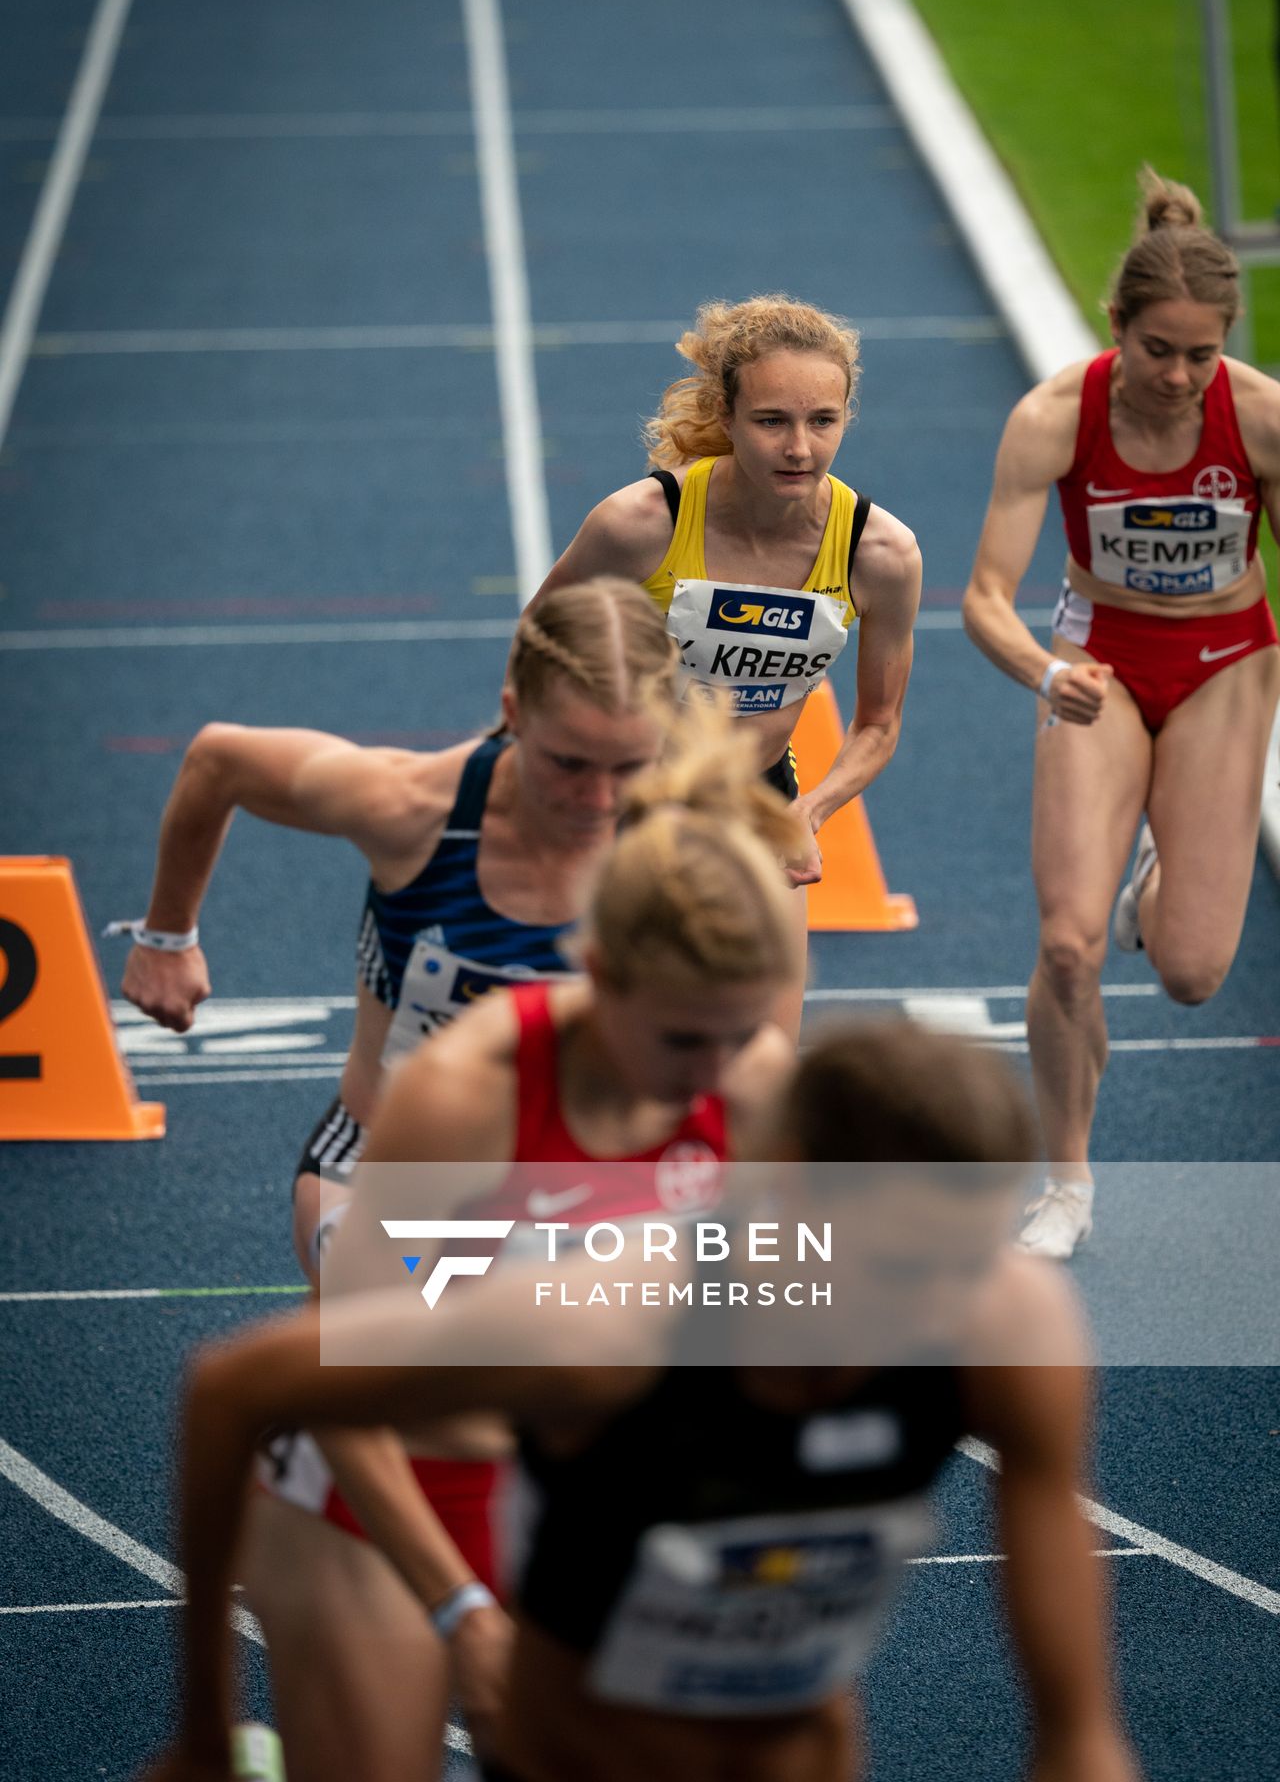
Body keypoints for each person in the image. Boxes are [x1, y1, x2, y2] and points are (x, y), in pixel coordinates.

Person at [141, 1019, 1141, 1782]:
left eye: (961, 1263)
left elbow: (1074, 1703)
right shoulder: (605, 1321)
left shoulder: (1002, 1321)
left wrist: (1081, 1746)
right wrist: (198, 1729)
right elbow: (234, 1386)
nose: (928, 1306)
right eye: (892, 1266)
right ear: (787, 1195)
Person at [184, 716, 808, 1782]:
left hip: (581, 1494)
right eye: (680, 1041)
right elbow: (343, 1377)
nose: (712, 1070)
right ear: (599, 975)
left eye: (737, 1033)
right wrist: (462, 1608)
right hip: (387, 1490)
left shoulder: (748, 1096)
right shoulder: (466, 1099)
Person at [114, 577, 676, 1279]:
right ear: (515, 714)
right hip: (386, 1174)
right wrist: (167, 936)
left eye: (629, 766)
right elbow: (218, 760)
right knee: (427, 1348)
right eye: (568, 763)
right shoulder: (410, 809)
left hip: (575, 1179)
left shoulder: (685, 851)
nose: (597, 799)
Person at [963, 169, 1280, 1258]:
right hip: (1093, 660)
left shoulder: (1259, 421)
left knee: (1190, 973)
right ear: (1115, 330)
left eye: (1201, 354)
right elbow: (983, 600)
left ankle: (1159, 875)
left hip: (1224, 664)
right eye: (1157, 352)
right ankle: (1065, 1187)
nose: (1179, 377)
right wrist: (1039, 675)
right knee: (1064, 945)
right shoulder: (1055, 416)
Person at [525, 294, 923, 1035]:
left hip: (757, 803)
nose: (799, 447)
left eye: (822, 421)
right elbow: (536, 646)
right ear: (728, 416)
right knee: (629, 1054)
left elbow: (878, 724)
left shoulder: (881, 554)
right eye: (772, 421)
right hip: (626, 801)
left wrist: (807, 812)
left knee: (764, 1067)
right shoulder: (640, 524)